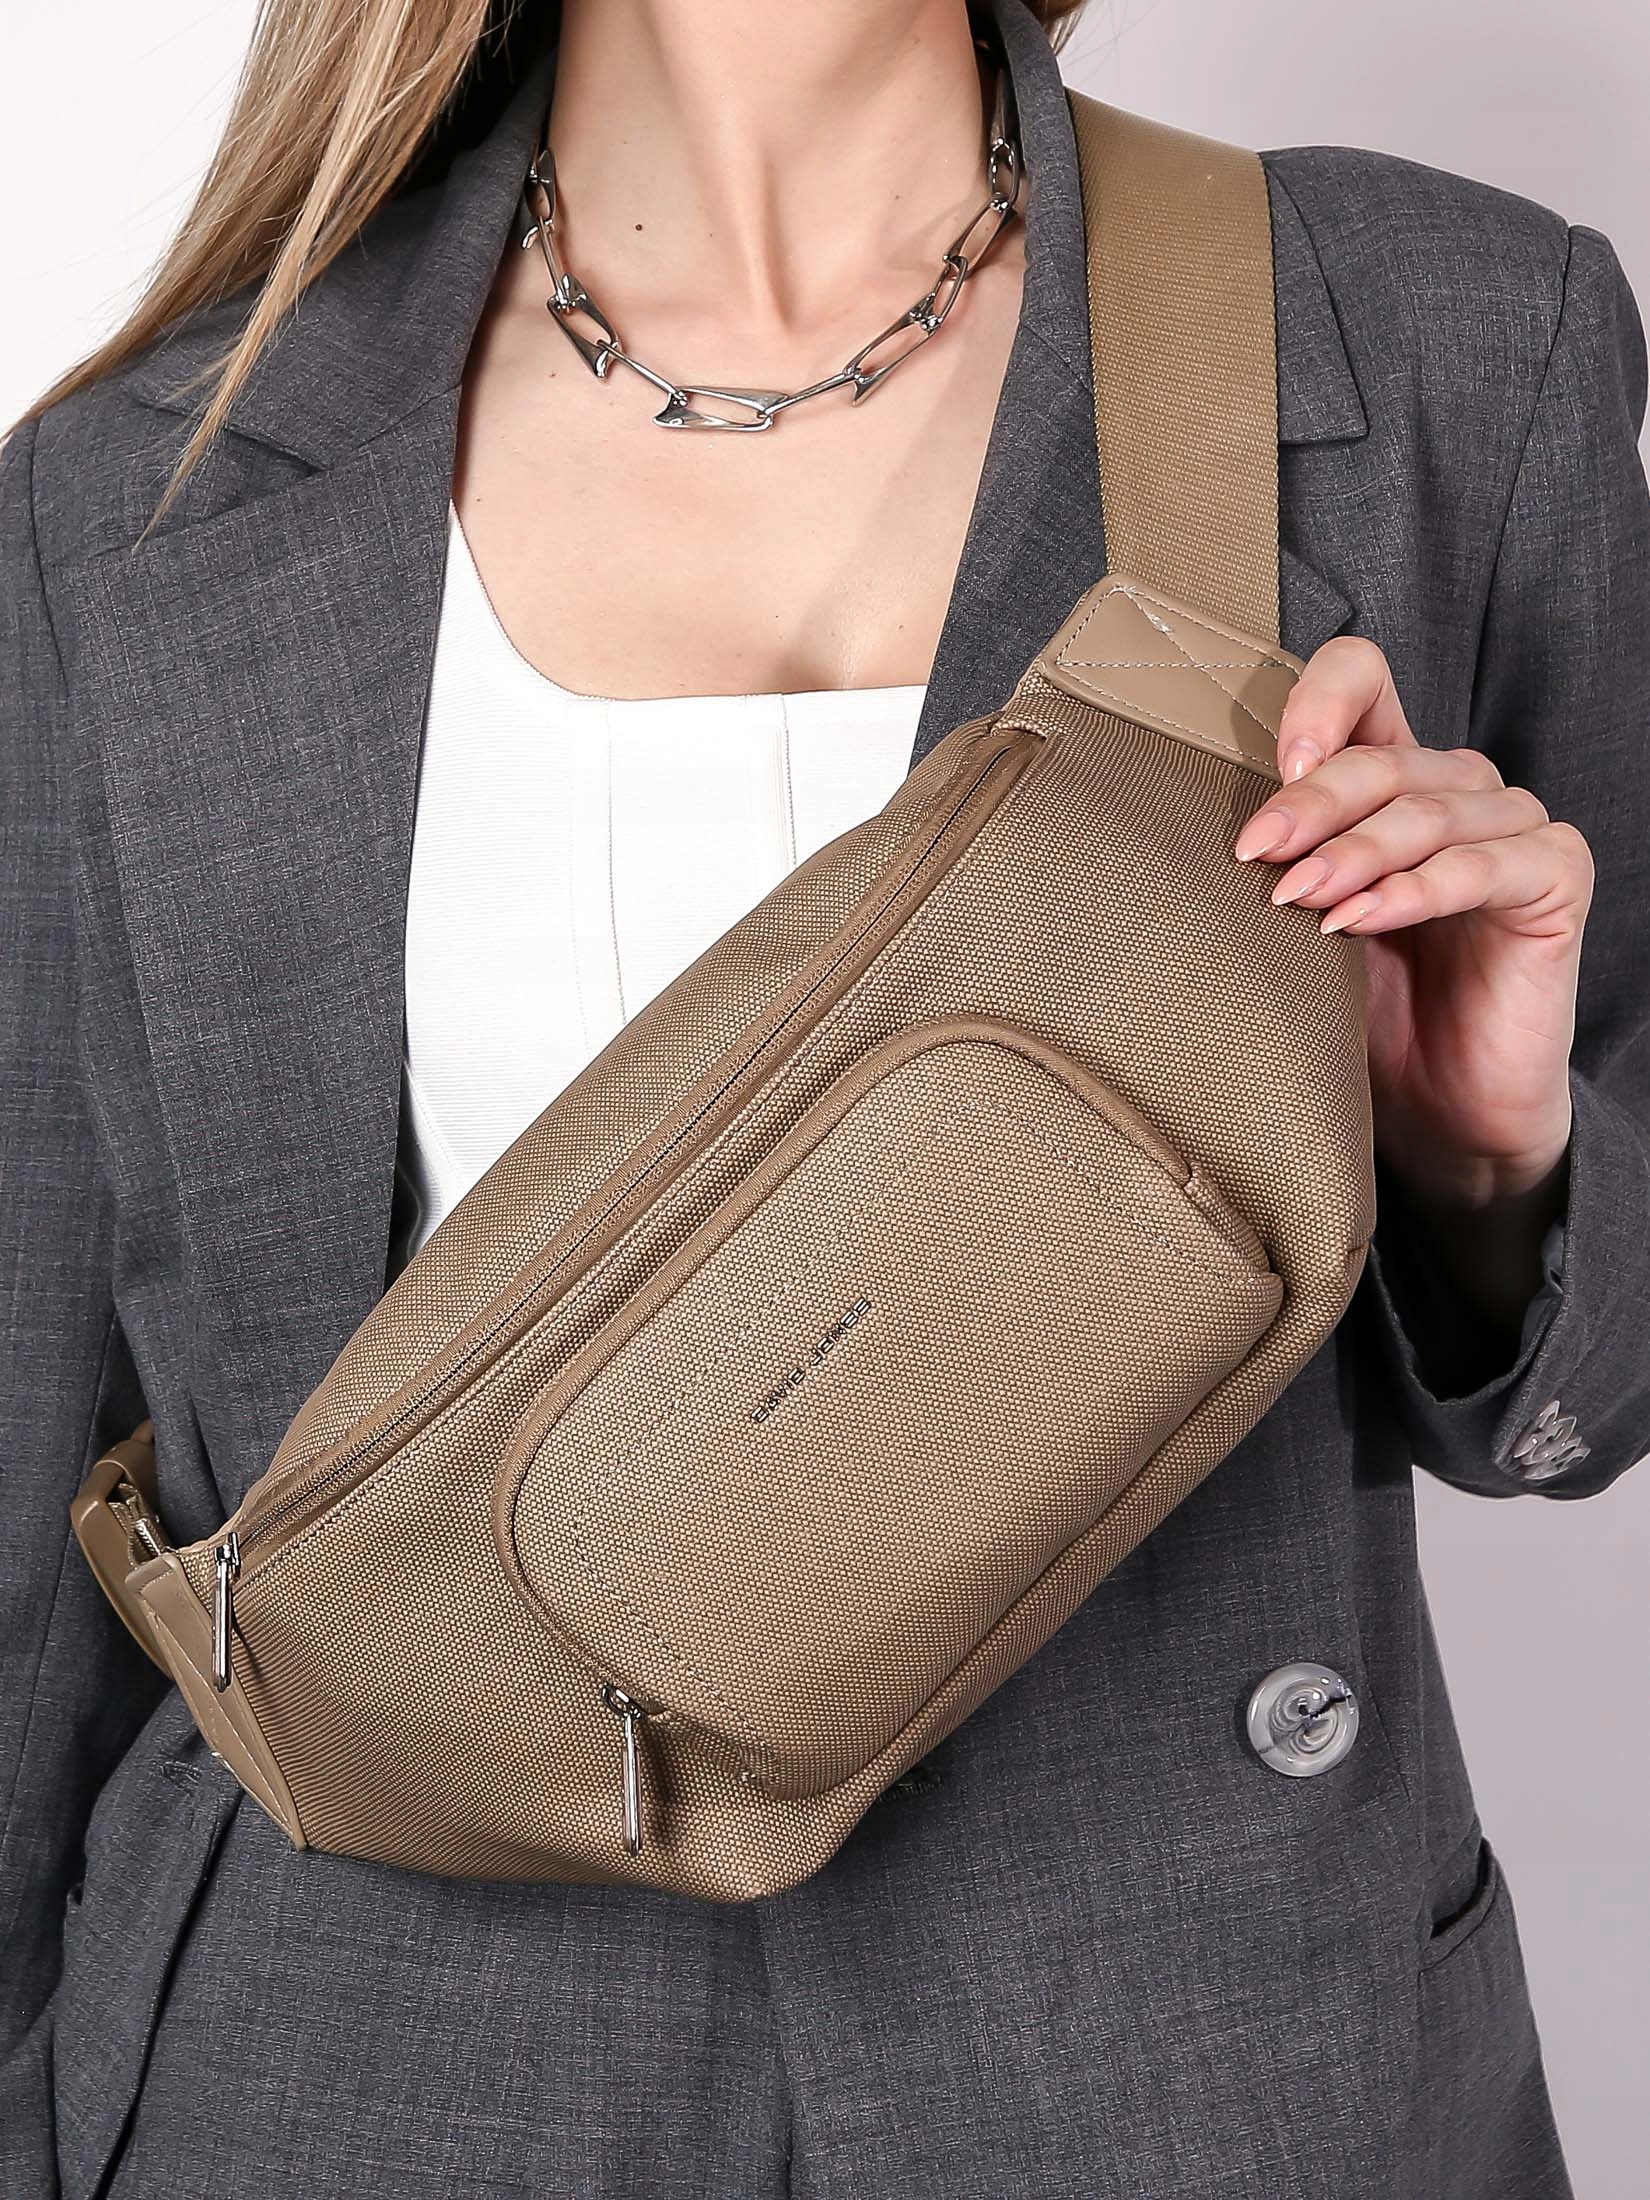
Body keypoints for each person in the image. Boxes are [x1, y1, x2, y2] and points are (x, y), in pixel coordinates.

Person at [3, 0, 1646, 2193]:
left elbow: (1593, 1386)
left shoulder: (1440, 338)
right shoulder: (137, 490)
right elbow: (33, 1451)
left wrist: (1489, 1156)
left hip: (1193, 2056)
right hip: (375, 2064)